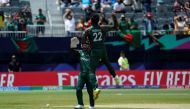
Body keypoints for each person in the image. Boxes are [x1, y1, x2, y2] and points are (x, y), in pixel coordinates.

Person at [83, 14, 120, 99]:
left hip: (94, 51)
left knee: (91, 71)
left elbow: (84, 44)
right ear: (98, 21)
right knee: (106, 62)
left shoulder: (88, 30)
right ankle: (115, 76)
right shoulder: (103, 27)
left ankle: (95, 88)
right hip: (102, 49)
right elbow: (115, 26)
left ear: (91, 21)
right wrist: (114, 18)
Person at [70, 37, 95, 109]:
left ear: (89, 46)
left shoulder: (92, 53)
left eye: (86, 45)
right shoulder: (80, 52)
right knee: (78, 89)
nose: (84, 46)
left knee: (90, 92)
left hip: (89, 75)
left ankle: (92, 106)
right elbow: (72, 51)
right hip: (82, 75)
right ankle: (80, 104)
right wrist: (72, 43)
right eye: (83, 45)